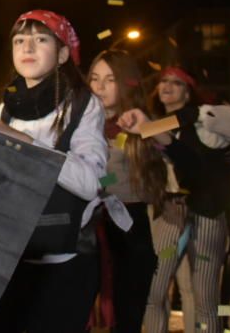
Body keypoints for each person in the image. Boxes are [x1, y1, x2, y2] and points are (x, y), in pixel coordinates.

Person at [0, 10, 108, 333]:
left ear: (63, 53)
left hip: (63, 265)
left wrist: (27, 144)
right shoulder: (4, 109)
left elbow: (92, 183)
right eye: (20, 40)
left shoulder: (84, 104)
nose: (28, 48)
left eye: (41, 40)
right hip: (9, 261)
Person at [118, 67, 230, 333]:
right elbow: (119, 168)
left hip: (206, 216)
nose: (167, 87)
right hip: (169, 215)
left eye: (176, 83)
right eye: (163, 82)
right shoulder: (150, 123)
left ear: (188, 91)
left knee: (202, 295)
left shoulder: (206, 121)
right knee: (154, 290)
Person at [88, 50, 167, 332]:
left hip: (130, 226)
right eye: (95, 78)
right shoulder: (79, 123)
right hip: (88, 226)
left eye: (110, 79)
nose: (100, 87)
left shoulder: (139, 120)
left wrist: (148, 126)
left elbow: (176, 141)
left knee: (128, 314)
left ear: (126, 82)